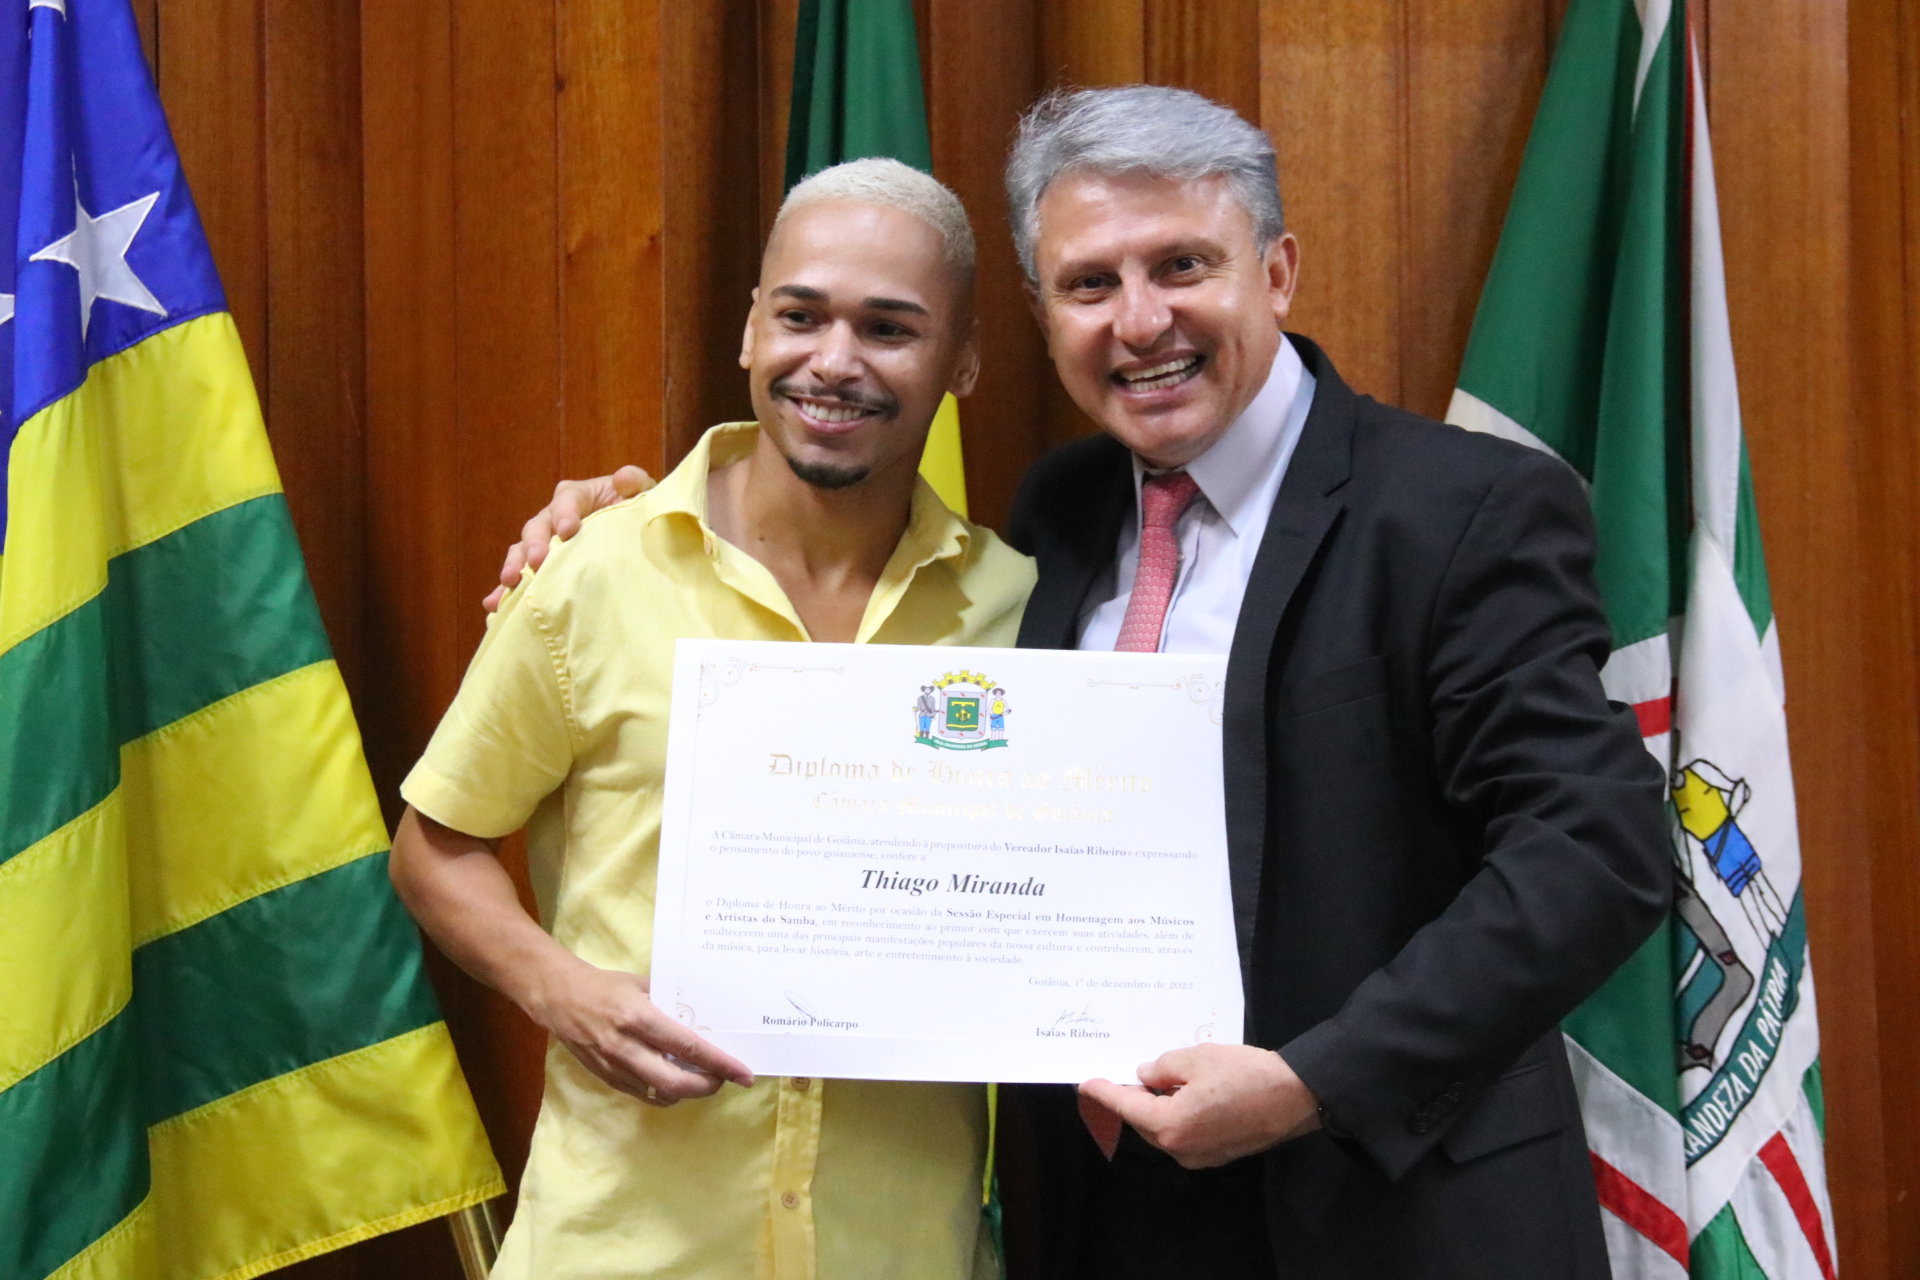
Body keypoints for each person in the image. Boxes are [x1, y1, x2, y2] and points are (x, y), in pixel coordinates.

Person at [496, 88, 1671, 1279]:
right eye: (1090, 282)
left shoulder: (1461, 509)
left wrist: (1312, 1080)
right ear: (1042, 314)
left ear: (1277, 272)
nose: (1140, 320)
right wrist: (612, 520)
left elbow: (1598, 847)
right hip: (1109, 1222)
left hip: (1391, 1217)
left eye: (1182, 265)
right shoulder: (1055, 518)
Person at [390, 158, 1032, 1279]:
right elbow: (433, 845)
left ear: (963, 360)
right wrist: (562, 990)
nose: (834, 361)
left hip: (902, 1251)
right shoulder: (596, 571)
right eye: (801, 315)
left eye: (889, 328)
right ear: (749, 328)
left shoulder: (1018, 611)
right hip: (621, 1248)